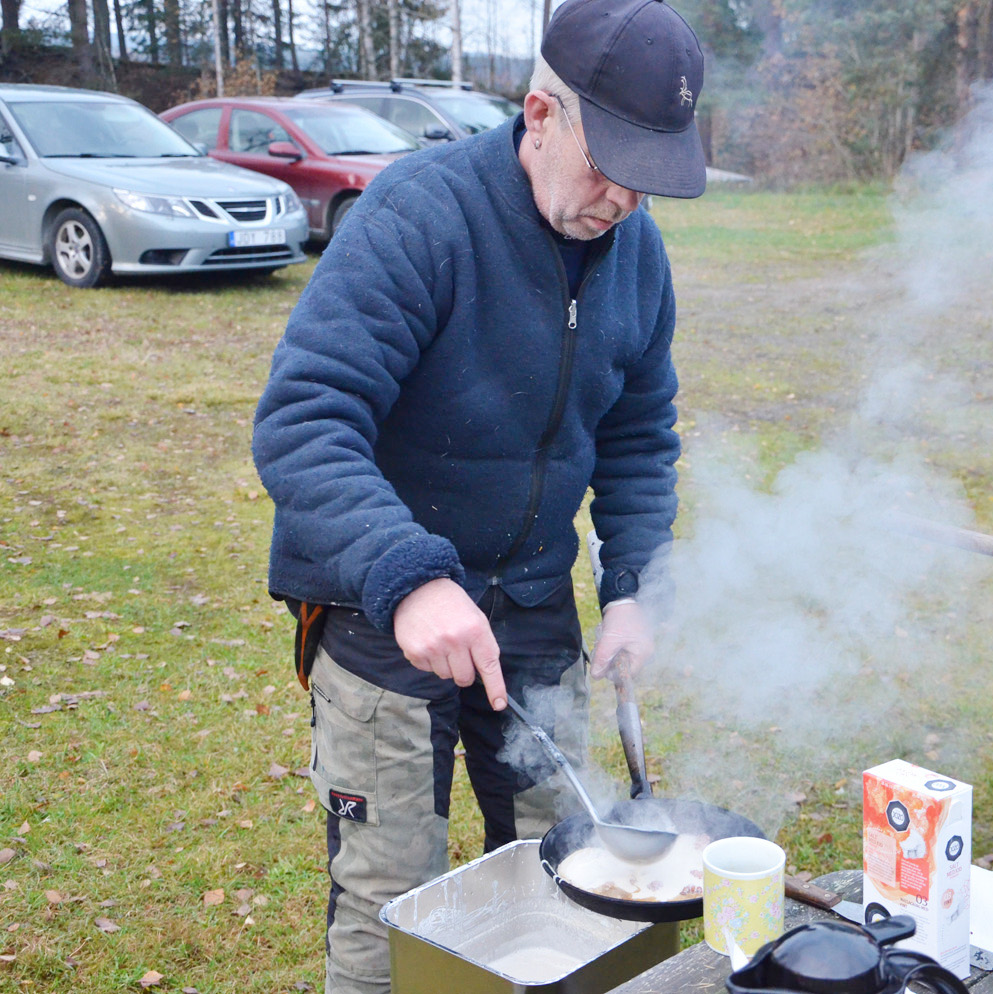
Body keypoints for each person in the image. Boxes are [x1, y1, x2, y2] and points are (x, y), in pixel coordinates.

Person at [251, 1, 706, 988]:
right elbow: (304, 419)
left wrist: (632, 584)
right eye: (610, 164)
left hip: (535, 603)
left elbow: (637, 433)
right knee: (391, 901)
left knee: (574, 869)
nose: (626, 198)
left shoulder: (638, 254)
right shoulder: (418, 217)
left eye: (649, 174)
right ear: (541, 115)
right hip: (385, 610)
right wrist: (410, 577)